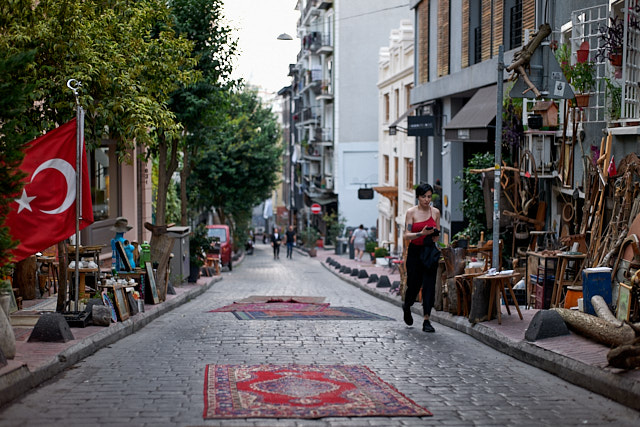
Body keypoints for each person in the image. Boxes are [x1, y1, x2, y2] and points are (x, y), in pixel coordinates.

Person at [402, 183, 441, 333]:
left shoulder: (436, 212)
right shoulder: (411, 213)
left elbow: (436, 238)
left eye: (429, 197)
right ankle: (407, 306)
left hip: (429, 251)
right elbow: (406, 235)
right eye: (424, 196)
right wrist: (421, 234)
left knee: (429, 285)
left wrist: (434, 234)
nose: (427, 200)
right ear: (418, 197)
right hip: (415, 252)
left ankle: (426, 320)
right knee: (414, 284)